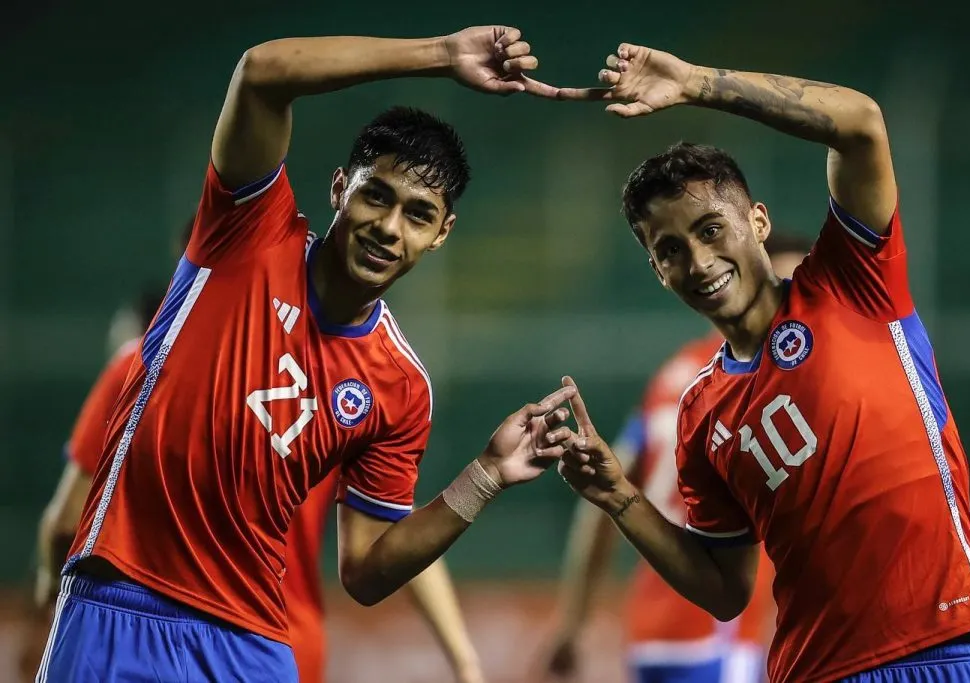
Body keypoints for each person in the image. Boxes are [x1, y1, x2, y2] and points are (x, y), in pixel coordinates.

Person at [36, 25, 572, 682]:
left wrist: (484, 476)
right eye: (376, 194)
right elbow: (262, 71)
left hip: (251, 645)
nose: (389, 227)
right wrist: (440, 55)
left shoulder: (401, 387)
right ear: (340, 187)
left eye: (418, 214)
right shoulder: (250, 229)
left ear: (441, 233)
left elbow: (366, 571)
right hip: (119, 600)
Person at [552, 43, 970, 683]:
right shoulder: (699, 414)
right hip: (813, 669)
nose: (699, 262)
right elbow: (724, 590)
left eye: (711, 229)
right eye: (670, 250)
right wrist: (618, 497)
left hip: (942, 645)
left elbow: (860, 123)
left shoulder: (851, 280)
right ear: (658, 271)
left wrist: (696, 82)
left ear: (758, 221)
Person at [31, 225, 485, 683]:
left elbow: (65, 522)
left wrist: (52, 596)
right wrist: (463, 658)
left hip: (146, 613)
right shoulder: (344, 387)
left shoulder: (140, 363)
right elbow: (392, 533)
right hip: (279, 640)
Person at [541, 233, 811, 683]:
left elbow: (604, 498)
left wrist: (573, 620)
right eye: (787, 289)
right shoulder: (764, 380)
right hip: (720, 635)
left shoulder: (675, 376)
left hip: (653, 634)